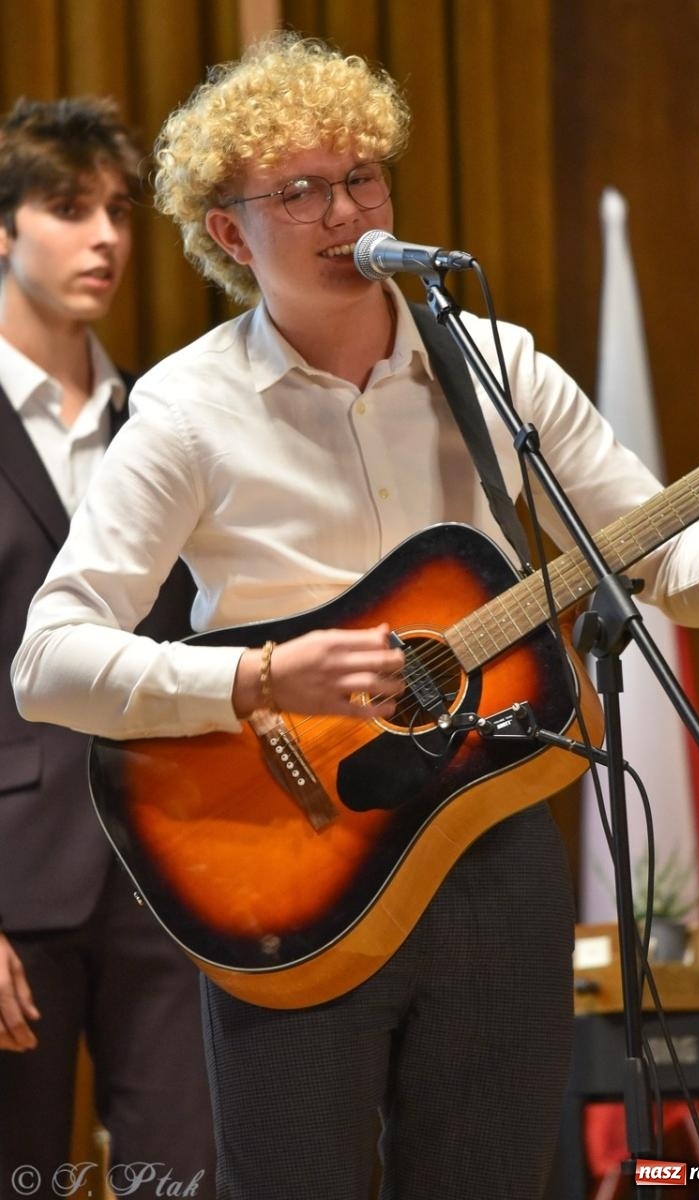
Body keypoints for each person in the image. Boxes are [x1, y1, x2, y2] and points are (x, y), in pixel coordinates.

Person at [10, 35, 699, 1200]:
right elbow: (48, 660)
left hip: (492, 836)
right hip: (288, 862)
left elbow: (672, 568)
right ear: (230, 233)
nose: (345, 212)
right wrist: (263, 677)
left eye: (362, 178)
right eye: (300, 192)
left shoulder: (494, 365)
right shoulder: (184, 409)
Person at [0, 97, 215, 1197]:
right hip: (14, 880)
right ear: (3, 230)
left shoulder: (164, 416)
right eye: (68, 208)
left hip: (168, 866)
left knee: (187, 1177)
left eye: (119, 212)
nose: (106, 239)